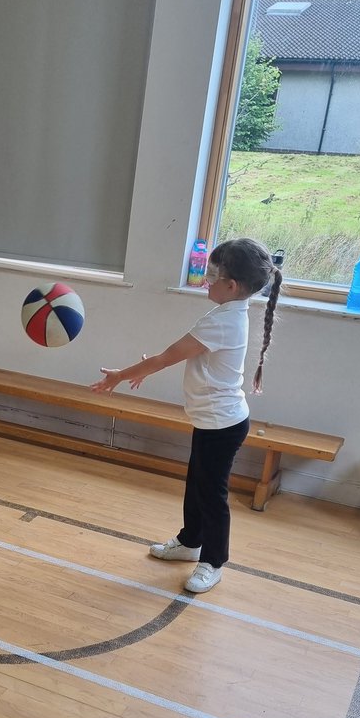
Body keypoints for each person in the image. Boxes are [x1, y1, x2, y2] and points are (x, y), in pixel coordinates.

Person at [91, 237, 282, 594]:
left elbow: (167, 357)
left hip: (222, 425)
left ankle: (213, 562)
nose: (206, 280)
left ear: (231, 285)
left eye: (212, 275)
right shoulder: (228, 314)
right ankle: (190, 541)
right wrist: (147, 368)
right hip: (213, 421)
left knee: (211, 494)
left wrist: (120, 375)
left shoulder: (222, 322)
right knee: (197, 485)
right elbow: (179, 356)